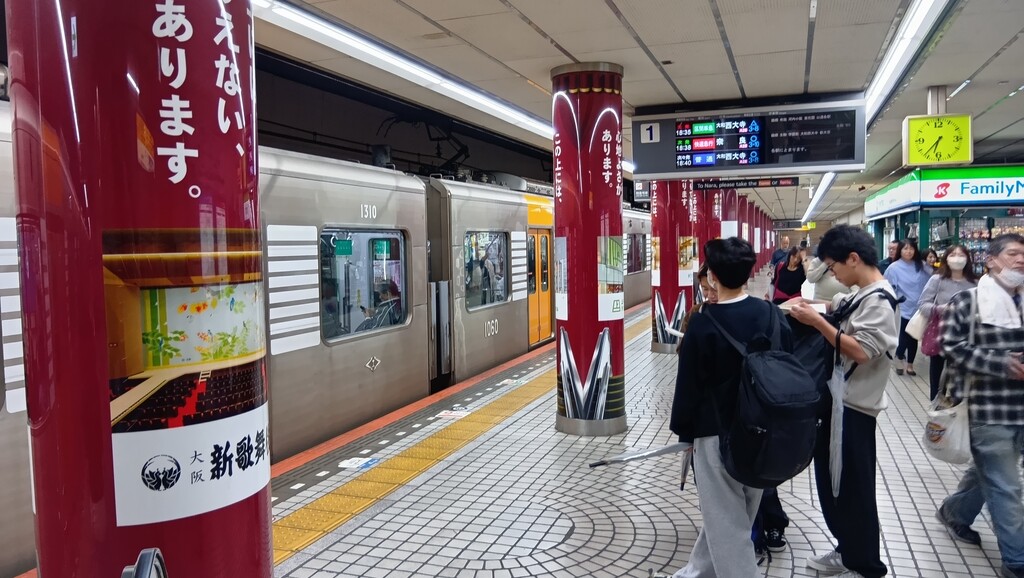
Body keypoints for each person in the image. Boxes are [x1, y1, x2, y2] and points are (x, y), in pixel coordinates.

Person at [670, 237, 793, 578]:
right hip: (764, 431)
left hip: (717, 435)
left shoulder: (703, 322)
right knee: (738, 512)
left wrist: (685, 433)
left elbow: (689, 386)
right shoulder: (770, 313)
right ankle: (698, 571)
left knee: (727, 522)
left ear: (712, 276)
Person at [788, 225, 899, 578]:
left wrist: (817, 323)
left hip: (855, 410)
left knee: (853, 489)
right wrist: (807, 306)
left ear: (853, 259)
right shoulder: (861, 294)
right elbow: (836, 305)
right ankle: (848, 550)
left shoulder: (880, 300)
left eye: (834, 266)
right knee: (834, 484)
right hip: (840, 405)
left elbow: (862, 350)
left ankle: (865, 565)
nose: (833, 274)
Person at [935, 234, 1024, 578]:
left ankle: (955, 512)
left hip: (1020, 407)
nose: (1020, 260)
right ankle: (1016, 561)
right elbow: (950, 345)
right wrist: (1001, 363)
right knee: (1006, 486)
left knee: (989, 474)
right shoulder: (968, 301)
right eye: (1013, 254)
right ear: (990, 260)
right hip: (986, 409)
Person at [916, 245, 977, 400]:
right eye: (953, 255)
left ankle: (957, 405)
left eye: (961, 255)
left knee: (960, 375)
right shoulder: (937, 279)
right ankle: (936, 403)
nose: (957, 258)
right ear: (946, 259)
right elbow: (923, 304)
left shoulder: (974, 282)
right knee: (937, 375)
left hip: (966, 335)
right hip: (941, 332)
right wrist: (939, 309)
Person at [884, 239, 933, 375]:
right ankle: (899, 356)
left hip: (919, 307)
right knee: (904, 335)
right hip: (903, 307)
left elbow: (932, 280)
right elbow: (888, 288)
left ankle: (910, 364)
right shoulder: (893, 268)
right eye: (905, 248)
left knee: (914, 336)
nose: (909, 251)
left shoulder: (922, 265)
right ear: (900, 250)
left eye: (911, 248)